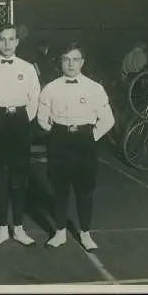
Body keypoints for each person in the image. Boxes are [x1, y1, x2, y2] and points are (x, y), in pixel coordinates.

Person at [37, 41, 115, 251]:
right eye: (66, 60)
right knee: (59, 190)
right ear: (60, 62)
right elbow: (42, 119)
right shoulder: (50, 88)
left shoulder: (95, 88)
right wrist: (58, 134)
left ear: (82, 62)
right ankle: (60, 232)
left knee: (84, 191)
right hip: (59, 143)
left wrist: (89, 137)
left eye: (75, 59)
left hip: (85, 144)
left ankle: (85, 233)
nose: (71, 64)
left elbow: (108, 120)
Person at [0, 23, 41, 247]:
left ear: (17, 42)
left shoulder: (28, 68)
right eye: (2, 39)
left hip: (20, 123)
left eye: (10, 39)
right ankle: (2, 228)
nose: (6, 43)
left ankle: (19, 228)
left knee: (19, 178)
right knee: (0, 177)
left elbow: (35, 98)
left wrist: (22, 119)